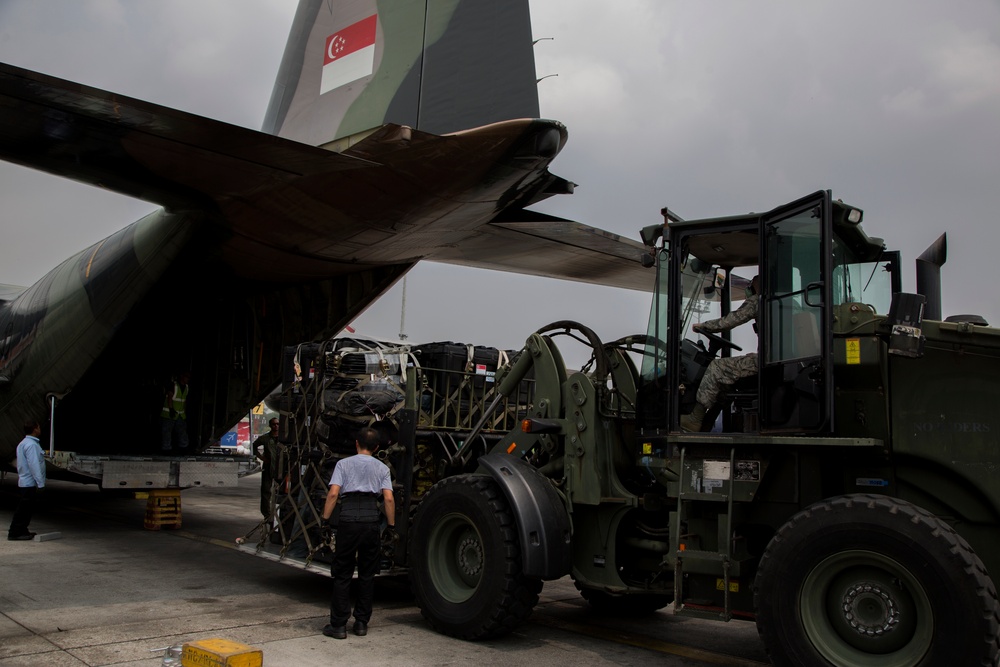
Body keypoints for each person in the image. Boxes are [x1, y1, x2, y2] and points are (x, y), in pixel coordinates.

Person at [320, 427, 395, 639]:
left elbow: (334, 493)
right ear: (377, 447)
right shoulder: (382, 468)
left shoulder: (343, 464)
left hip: (348, 521)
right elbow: (388, 498)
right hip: (371, 522)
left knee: (342, 574)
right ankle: (361, 623)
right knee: (367, 574)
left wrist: (325, 521)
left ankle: (339, 625)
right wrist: (390, 526)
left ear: (356, 444)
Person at [681, 275, 760, 432]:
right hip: (770, 361)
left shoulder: (759, 300)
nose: (749, 289)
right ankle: (708, 421)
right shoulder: (783, 302)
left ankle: (694, 419)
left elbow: (729, 321)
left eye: (752, 285)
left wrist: (704, 326)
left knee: (717, 367)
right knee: (726, 379)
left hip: (764, 362)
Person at [8, 419, 45, 541]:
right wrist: (41, 483)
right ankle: (15, 532)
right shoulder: (32, 445)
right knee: (24, 509)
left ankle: (22, 530)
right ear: (35, 429)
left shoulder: (23, 443)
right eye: (38, 427)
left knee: (26, 509)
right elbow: (34, 465)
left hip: (25, 481)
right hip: (29, 482)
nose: (40, 429)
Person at [254, 418, 282, 519]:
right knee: (266, 491)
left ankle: (279, 513)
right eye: (274, 424)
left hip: (280, 467)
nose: (276, 426)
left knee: (281, 491)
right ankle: (266, 514)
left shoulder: (283, 438)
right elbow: (254, 446)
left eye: (278, 424)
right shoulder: (265, 438)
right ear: (271, 426)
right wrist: (262, 458)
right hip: (268, 466)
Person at [161, 371, 190, 453]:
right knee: (167, 431)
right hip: (169, 413)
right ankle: (166, 449)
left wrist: (184, 411)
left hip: (180, 414)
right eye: (186, 377)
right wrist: (171, 409)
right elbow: (170, 397)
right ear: (182, 377)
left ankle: (183, 447)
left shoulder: (186, 387)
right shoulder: (174, 385)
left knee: (182, 431)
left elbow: (184, 401)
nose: (188, 379)